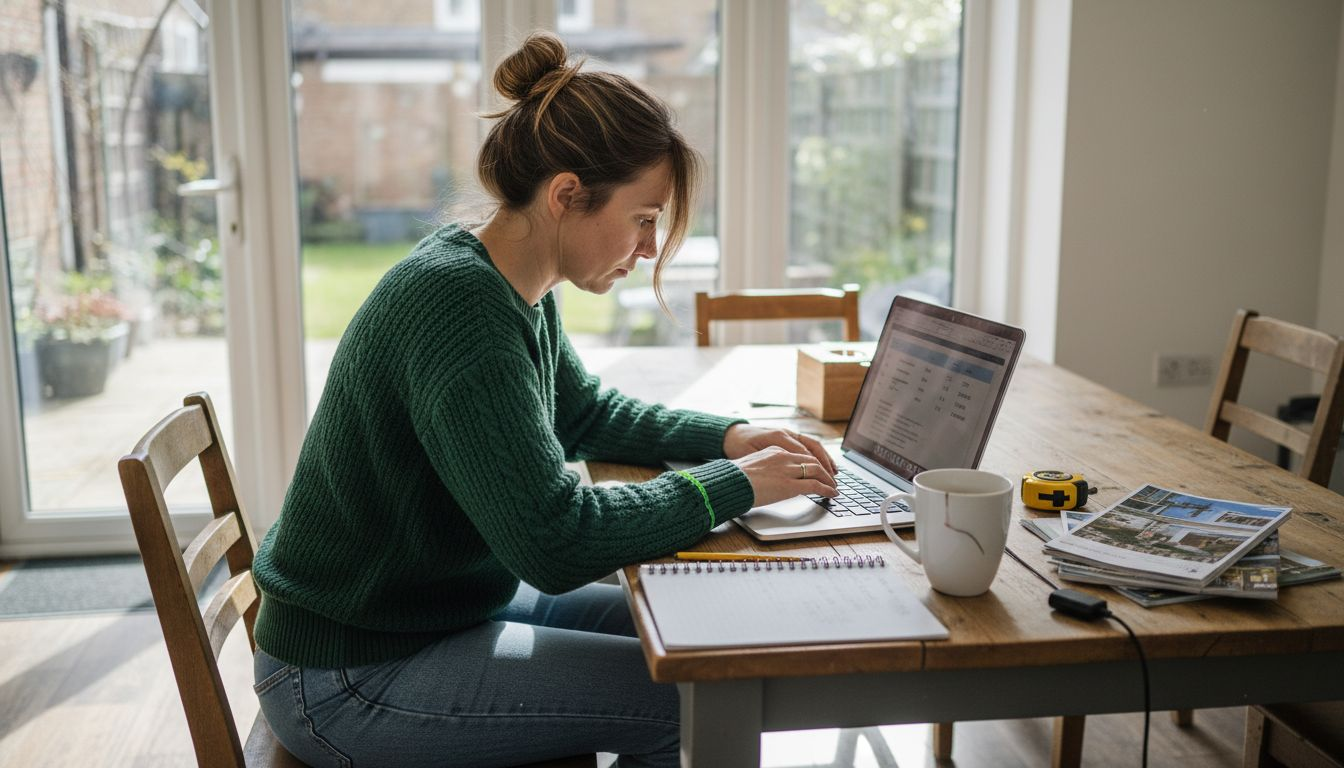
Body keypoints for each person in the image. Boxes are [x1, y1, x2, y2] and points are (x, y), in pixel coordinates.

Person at [250, 31, 839, 768]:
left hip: (438, 613)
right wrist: (733, 486)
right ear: (567, 196)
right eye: (643, 217)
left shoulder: (511, 282)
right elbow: (556, 543)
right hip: (348, 675)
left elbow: (586, 414)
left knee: (695, 633)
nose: (650, 247)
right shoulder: (460, 308)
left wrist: (729, 439)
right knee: (685, 699)